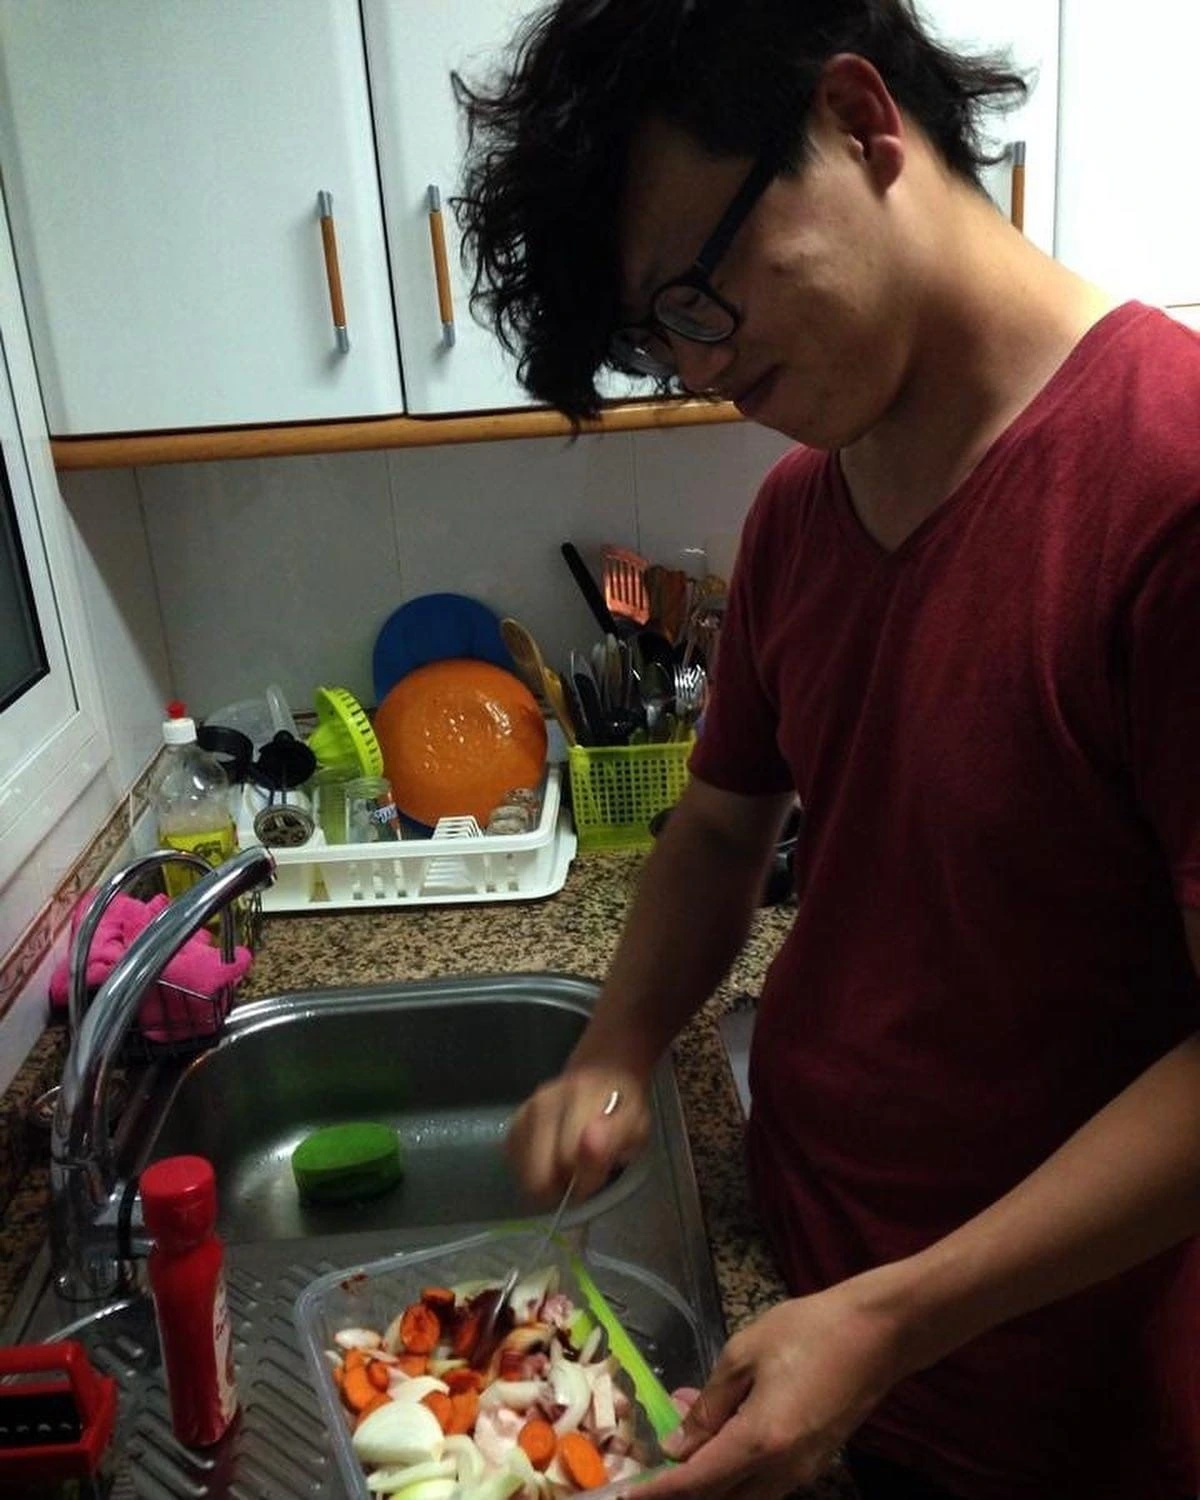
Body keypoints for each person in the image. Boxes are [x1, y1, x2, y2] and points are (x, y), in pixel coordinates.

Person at [453, 3, 1200, 1496]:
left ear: (860, 125)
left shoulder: (1168, 486)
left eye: (696, 296)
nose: (698, 368)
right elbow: (723, 829)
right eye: (658, 339)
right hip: (806, 1285)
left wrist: (893, 1322)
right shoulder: (801, 512)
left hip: (1054, 1404)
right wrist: (617, 1044)